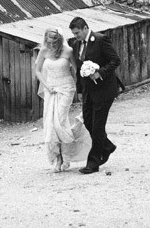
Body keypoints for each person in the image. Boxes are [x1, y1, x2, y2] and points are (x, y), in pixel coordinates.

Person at [33, 28, 91, 172]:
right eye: (48, 42)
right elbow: (38, 70)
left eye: (54, 42)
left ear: (59, 40)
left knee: (60, 121)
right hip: (50, 88)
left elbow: (77, 69)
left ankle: (67, 156)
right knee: (50, 124)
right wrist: (46, 85)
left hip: (66, 88)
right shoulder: (44, 51)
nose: (51, 45)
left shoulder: (68, 51)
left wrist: (83, 88)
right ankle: (58, 159)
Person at [68, 17, 121, 174]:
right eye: (73, 33)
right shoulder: (76, 44)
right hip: (87, 91)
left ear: (85, 28)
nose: (75, 36)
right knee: (88, 122)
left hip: (104, 89)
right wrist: (79, 89)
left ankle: (93, 162)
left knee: (97, 126)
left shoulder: (100, 40)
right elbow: (78, 69)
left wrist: (100, 73)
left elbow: (115, 60)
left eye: (77, 33)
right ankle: (107, 146)